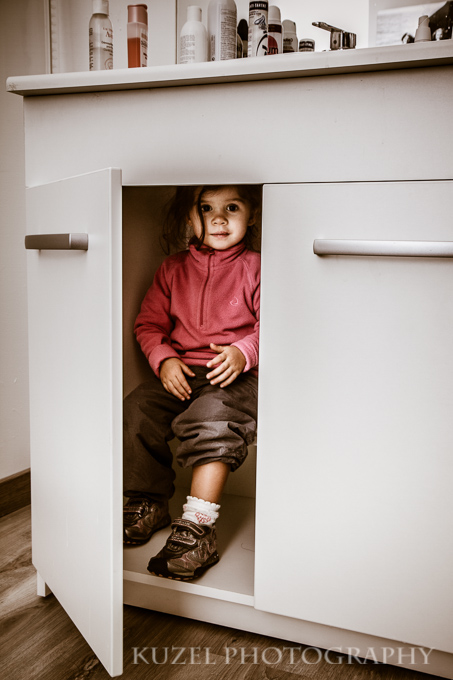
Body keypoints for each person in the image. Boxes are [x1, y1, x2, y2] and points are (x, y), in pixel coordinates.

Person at [123, 184, 261, 581]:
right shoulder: (172, 269)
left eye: (231, 207)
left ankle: (198, 527)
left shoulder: (256, 267)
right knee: (137, 410)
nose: (218, 219)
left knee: (212, 420)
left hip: (233, 375)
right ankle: (148, 502)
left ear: (251, 215)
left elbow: (275, 324)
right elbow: (148, 324)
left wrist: (243, 352)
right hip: (181, 371)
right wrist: (163, 359)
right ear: (190, 218)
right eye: (206, 208)